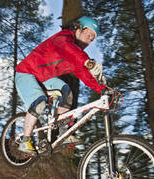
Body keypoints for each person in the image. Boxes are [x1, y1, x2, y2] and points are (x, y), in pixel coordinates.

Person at [15, 16, 106, 155]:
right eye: (88, 35)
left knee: (66, 92)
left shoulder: (78, 54)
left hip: (44, 78)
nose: (89, 40)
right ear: (79, 28)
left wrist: (103, 89)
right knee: (40, 103)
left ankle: (64, 133)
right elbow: (67, 48)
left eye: (92, 39)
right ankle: (25, 141)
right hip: (26, 73)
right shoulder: (63, 37)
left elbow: (85, 75)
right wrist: (89, 63)